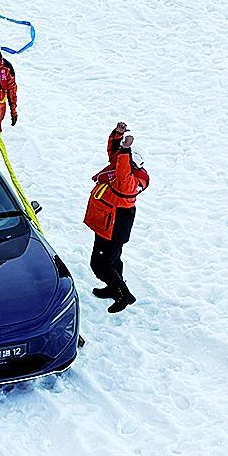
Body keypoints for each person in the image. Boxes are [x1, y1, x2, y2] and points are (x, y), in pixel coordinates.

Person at [84, 122, 149, 313]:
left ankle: (124, 295)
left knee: (100, 265)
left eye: (124, 155)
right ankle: (114, 288)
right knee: (113, 261)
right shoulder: (123, 165)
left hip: (113, 227)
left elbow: (121, 173)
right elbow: (114, 154)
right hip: (106, 223)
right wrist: (117, 135)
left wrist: (126, 149)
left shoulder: (129, 181)